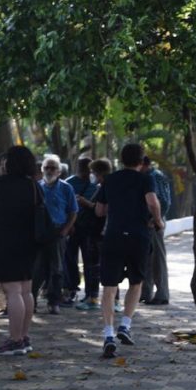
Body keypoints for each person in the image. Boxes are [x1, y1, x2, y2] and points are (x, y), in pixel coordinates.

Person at [95, 143, 164, 358]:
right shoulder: (146, 178)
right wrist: (158, 221)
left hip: (113, 236)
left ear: (121, 159)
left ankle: (108, 335)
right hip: (138, 236)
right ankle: (125, 325)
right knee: (136, 281)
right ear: (142, 161)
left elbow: (99, 210)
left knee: (109, 286)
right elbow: (152, 201)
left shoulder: (110, 179)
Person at [0, 146, 39, 356]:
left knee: (12, 291)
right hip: (30, 243)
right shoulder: (32, 186)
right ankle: (24, 336)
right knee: (25, 290)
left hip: (6, 242)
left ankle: (14, 340)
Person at [31, 154, 78, 314]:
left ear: (59, 171)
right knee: (37, 268)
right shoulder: (36, 187)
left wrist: (65, 229)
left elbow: (73, 211)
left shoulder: (66, 188)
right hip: (39, 232)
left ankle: (54, 301)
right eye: (47, 168)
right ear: (42, 170)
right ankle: (32, 301)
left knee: (56, 268)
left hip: (58, 231)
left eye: (53, 168)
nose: (50, 171)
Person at [74, 159, 111, 311]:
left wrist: (85, 203)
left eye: (94, 173)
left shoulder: (106, 186)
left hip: (99, 231)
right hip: (96, 230)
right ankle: (92, 296)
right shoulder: (103, 186)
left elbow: (101, 209)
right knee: (94, 265)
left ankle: (94, 297)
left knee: (95, 266)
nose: (92, 175)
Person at [64, 157, 98, 306]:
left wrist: (86, 203)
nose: (85, 171)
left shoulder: (94, 184)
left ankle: (91, 293)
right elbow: (64, 205)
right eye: (82, 168)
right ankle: (71, 287)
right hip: (72, 227)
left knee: (89, 260)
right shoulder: (68, 183)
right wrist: (68, 225)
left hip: (89, 227)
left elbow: (98, 206)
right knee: (69, 258)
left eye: (87, 168)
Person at [139, 156, 171, 305]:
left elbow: (164, 201)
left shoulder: (155, 176)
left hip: (154, 222)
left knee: (157, 258)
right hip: (145, 222)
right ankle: (146, 291)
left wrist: (156, 219)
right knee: (146, 258)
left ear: (144, 164)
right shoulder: (146, 177)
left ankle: (162, 293)